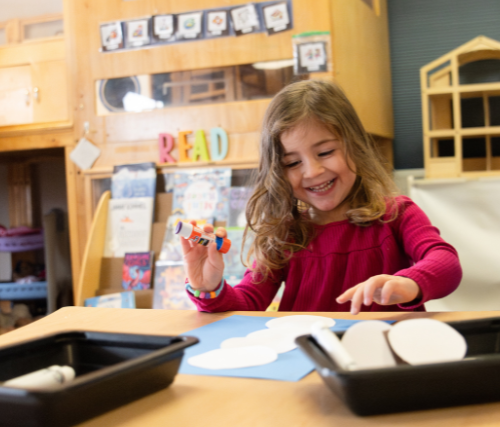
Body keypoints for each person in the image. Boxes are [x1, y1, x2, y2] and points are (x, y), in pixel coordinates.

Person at [180, 79, 462, 314]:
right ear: (277, 171)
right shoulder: (283, 234)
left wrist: (407, 283)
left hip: (382, 362)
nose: (313, 171)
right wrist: (209, 288)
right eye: (292, 163)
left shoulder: (396, 214)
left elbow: (445, 261)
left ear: (355, 145)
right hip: (306, 363)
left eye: (325, 152)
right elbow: (248, 302)